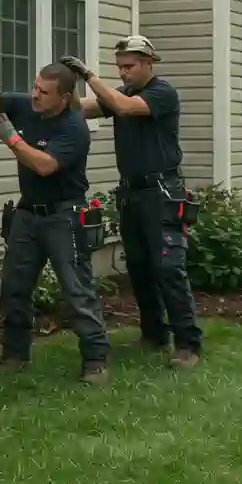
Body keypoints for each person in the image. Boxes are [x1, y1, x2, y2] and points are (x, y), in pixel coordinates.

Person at [0, 52, 111, 385]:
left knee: (77, 290)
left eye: (43, 92)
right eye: (34, 87)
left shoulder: (74, 128)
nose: (34, 95)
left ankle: (96, 361)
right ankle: (15, 354)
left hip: (64, 215)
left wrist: (11, 138)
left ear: (65, 98)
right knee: (15, 286)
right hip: (28, 213)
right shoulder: (28, 106)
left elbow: (44, 166)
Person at [60, 35, 203, 369]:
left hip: (162, 192)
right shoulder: (121, 94)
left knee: (169, 269)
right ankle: (154, 335)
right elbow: (84, 110)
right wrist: (61, 90)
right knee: (138, 268)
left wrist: (88, 74)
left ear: (148, 63)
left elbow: (123, 108)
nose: (123, 73)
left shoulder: (161, 93)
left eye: (129, 66)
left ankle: (188, 344)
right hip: (131, 193)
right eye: (120, 66)